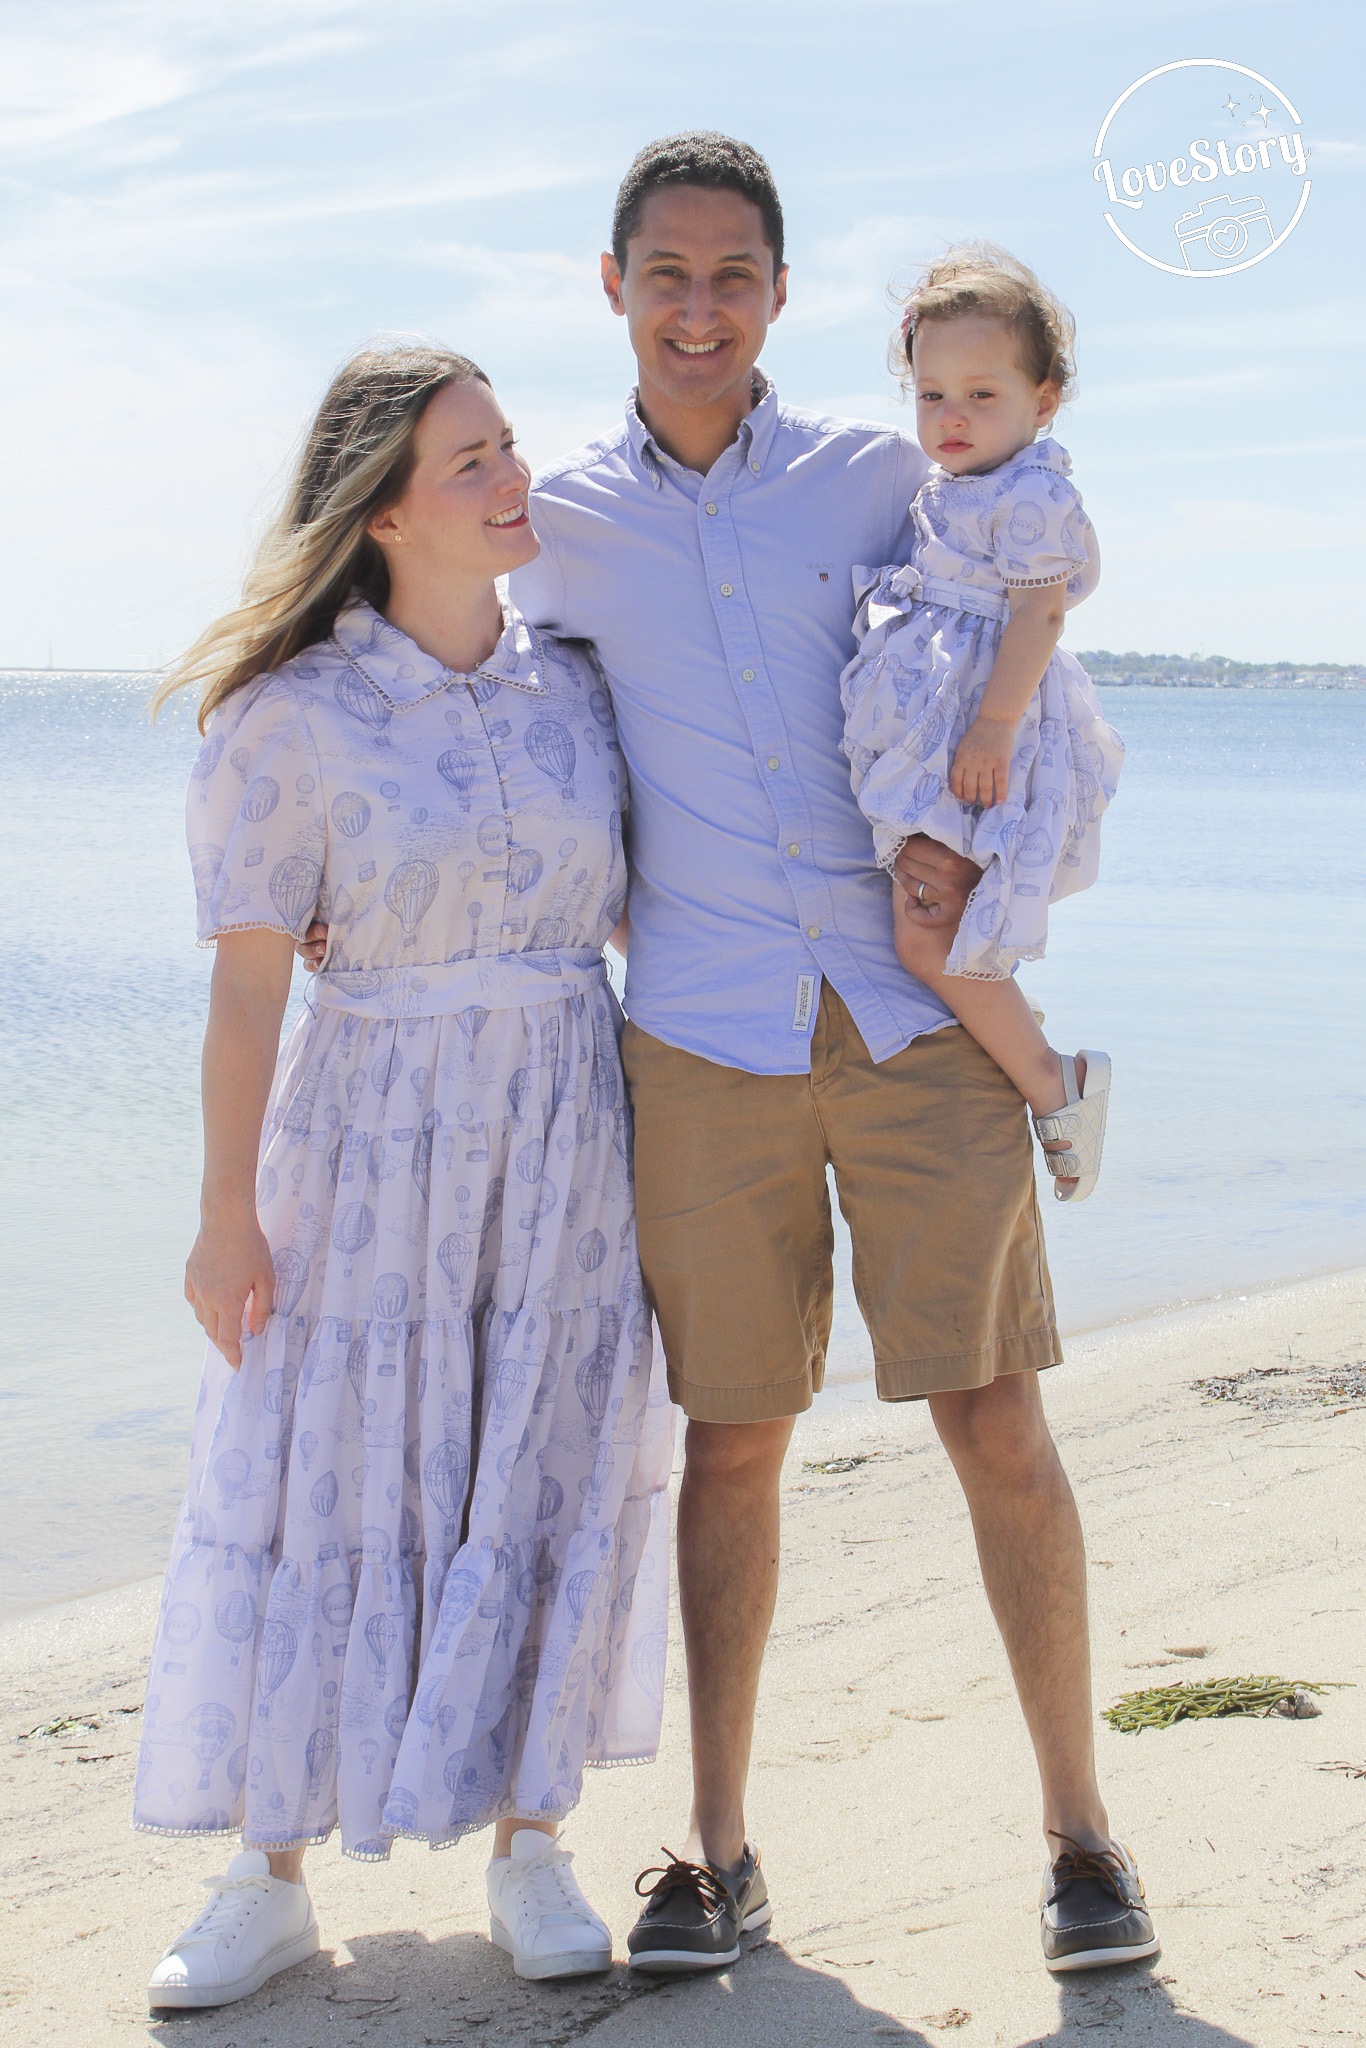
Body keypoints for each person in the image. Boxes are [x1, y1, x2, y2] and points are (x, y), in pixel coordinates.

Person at [509, 132, 1159, 1976]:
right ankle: (714, 1848)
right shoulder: (555, 518)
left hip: (904, 1019)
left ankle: (1082, 1834)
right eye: (667, 273)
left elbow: (1035, 580)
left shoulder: (891, 474)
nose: (699, 306)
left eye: (733, 275)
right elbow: (472, 694)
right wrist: (335, 885)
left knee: (995, 1421)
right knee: (729, 1445)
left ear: (780, 296)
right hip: (698, 1036)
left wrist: (1001, 821)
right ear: (615, 288)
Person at [133, 343, 673, 2012]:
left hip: (569, 1130)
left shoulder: (578, 682)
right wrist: (224, 1214)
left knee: (545, 1455)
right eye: (470, 462)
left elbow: (659, 907)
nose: (515, 477)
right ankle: (264, 1868)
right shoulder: (286, 716)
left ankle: (531, 1841)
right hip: (367, 1131)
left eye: (510, 444)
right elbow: (243, 986)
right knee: (326, 1474)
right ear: (379, 508)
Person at [840, 243, 1125, 1202]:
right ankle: (1031, 1049)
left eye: (981, 396)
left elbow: (1042, 613)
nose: (950, 419)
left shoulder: (1034, 492)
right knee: (929, 921)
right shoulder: (946, 489)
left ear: (1044, 399)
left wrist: (994, 729)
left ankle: (1054, 1081)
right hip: (943, 737)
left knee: (928, 933)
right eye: (931, 397)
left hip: (980, 738)